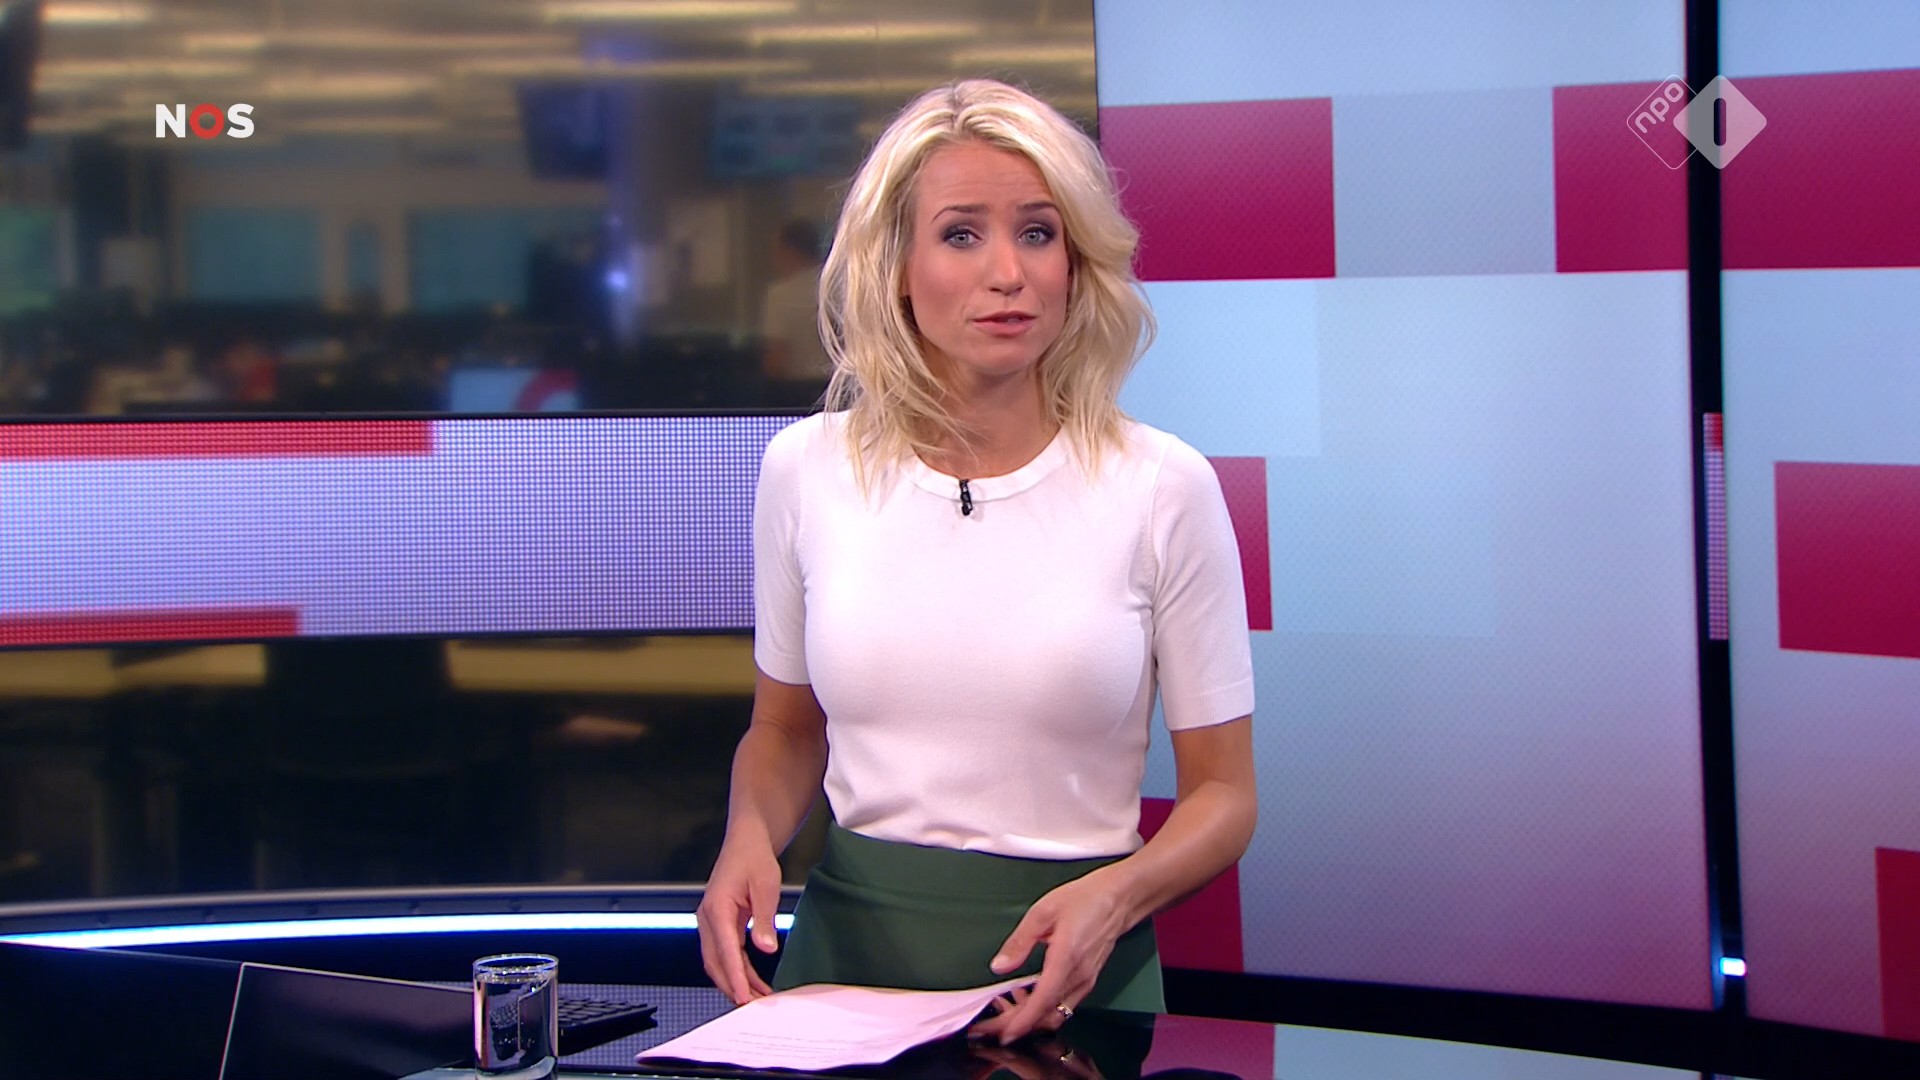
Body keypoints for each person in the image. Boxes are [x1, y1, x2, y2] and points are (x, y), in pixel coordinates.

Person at [696, 79, 1258, 1047]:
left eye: (1038, 233)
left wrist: (1119, 897)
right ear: (896, 268)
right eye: (961, 234)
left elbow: (1225, 794)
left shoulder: (1162, 486)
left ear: (1076, 262)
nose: (1009, 272)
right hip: (845, 972)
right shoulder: (805, 470)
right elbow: (786, 728)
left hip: (1072, 975)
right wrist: (749, 834)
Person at [758, 219, 832, 408]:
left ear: (790, 251)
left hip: (796, 397)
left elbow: (776, 359)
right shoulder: (841, 288)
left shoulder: (780, 295)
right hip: (841, 393)